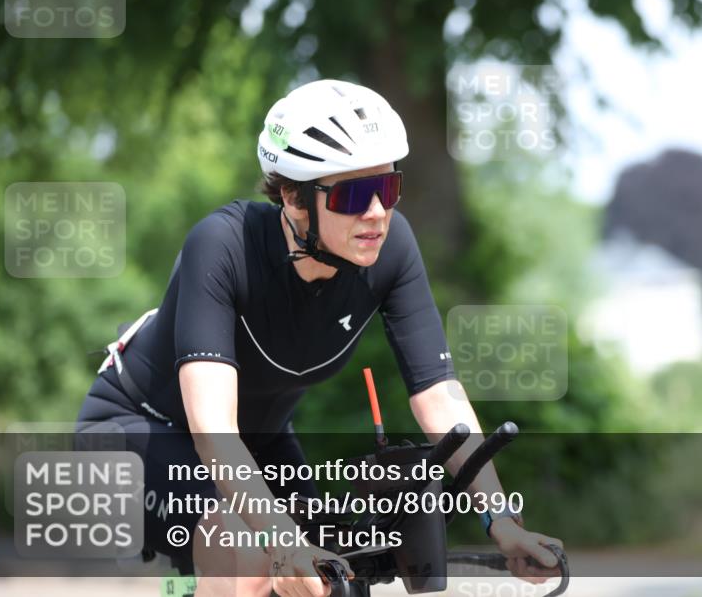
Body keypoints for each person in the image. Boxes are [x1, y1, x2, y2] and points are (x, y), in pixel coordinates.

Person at [77, 79, 563, 597]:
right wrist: (283, 546)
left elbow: (440, 395)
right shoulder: (222, 246)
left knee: (336, 574)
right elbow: (212, 427)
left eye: (388, 188)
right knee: (251, 560)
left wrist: (501, 522)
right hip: (139, 433)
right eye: (354, 194)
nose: (376, 211)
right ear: (293, 197)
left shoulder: (391, 247)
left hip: (260, 441)